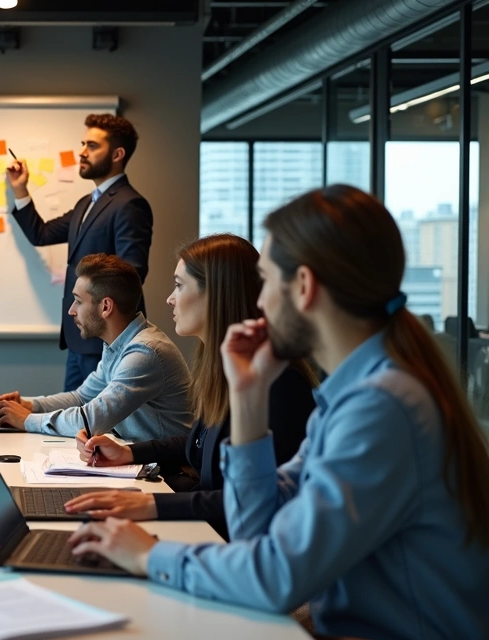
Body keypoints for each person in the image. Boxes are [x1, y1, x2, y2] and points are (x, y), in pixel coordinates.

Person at [67, 186, 489, 638]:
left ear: (303, 287)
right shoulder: (350, 395)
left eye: (265, 281)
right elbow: (257, 529)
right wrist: (248, 401)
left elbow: (277, 578)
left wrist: (149, 555)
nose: (257, 299)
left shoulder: (380, 406)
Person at [64, 235, 316, 539]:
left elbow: (253, 501)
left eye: (179, 285)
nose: (170, 298)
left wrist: (150, 504)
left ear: (217, 294)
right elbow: (198, 443)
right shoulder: (224, 366)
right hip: (211, 532)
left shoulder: (277, 385)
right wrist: (128, 453)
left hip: (234, 545)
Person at [7, 114, 153, 391]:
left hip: (105, 336)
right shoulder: (87, 202)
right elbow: (43, 234)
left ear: (117, 154)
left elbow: (132, 273)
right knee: (73, 421)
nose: (82, 152)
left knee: (96, 427)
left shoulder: (130, 204)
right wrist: (20, 189)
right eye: (83, 143)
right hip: (80, 336)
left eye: (92, 146)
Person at [0, 253, 192, 442]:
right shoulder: (119, 344)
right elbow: (82, 397)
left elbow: (90, 421)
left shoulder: (145, 352)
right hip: (142, 461)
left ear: (106, 307)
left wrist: (26, 420)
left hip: (168, 473)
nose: (71, 311)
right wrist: (32, 405)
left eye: (78, 301)